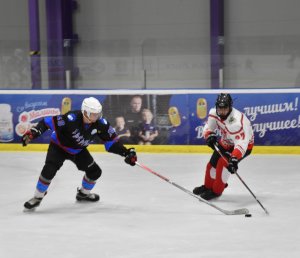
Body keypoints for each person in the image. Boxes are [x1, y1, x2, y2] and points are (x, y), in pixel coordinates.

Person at [22, 97, 137, 210]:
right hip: (58, 147)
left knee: (95, 172)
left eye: (98, 113)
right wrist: (34, 133)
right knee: (49, 170)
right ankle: (37, 197)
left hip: (78, 151)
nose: (97, 116)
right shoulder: (70, 118)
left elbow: (111, 143)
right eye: (93, 114)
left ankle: (83, 194)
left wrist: (126, 152)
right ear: (85, 112)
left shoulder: (101, 124)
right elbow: (47, 122)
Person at [193, 93, 254, 200]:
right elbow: (209, 127)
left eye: (224, 108)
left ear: (230, 107)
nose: (221, 111)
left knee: (223, 164)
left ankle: (216, 191)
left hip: (244, 145)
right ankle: (207, 187)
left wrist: (234, 158)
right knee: (211, 165)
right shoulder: (214, 113)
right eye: (219, 108)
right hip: (226, 141)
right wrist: (209, 135)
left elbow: (242, 143)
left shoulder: (237, 122)